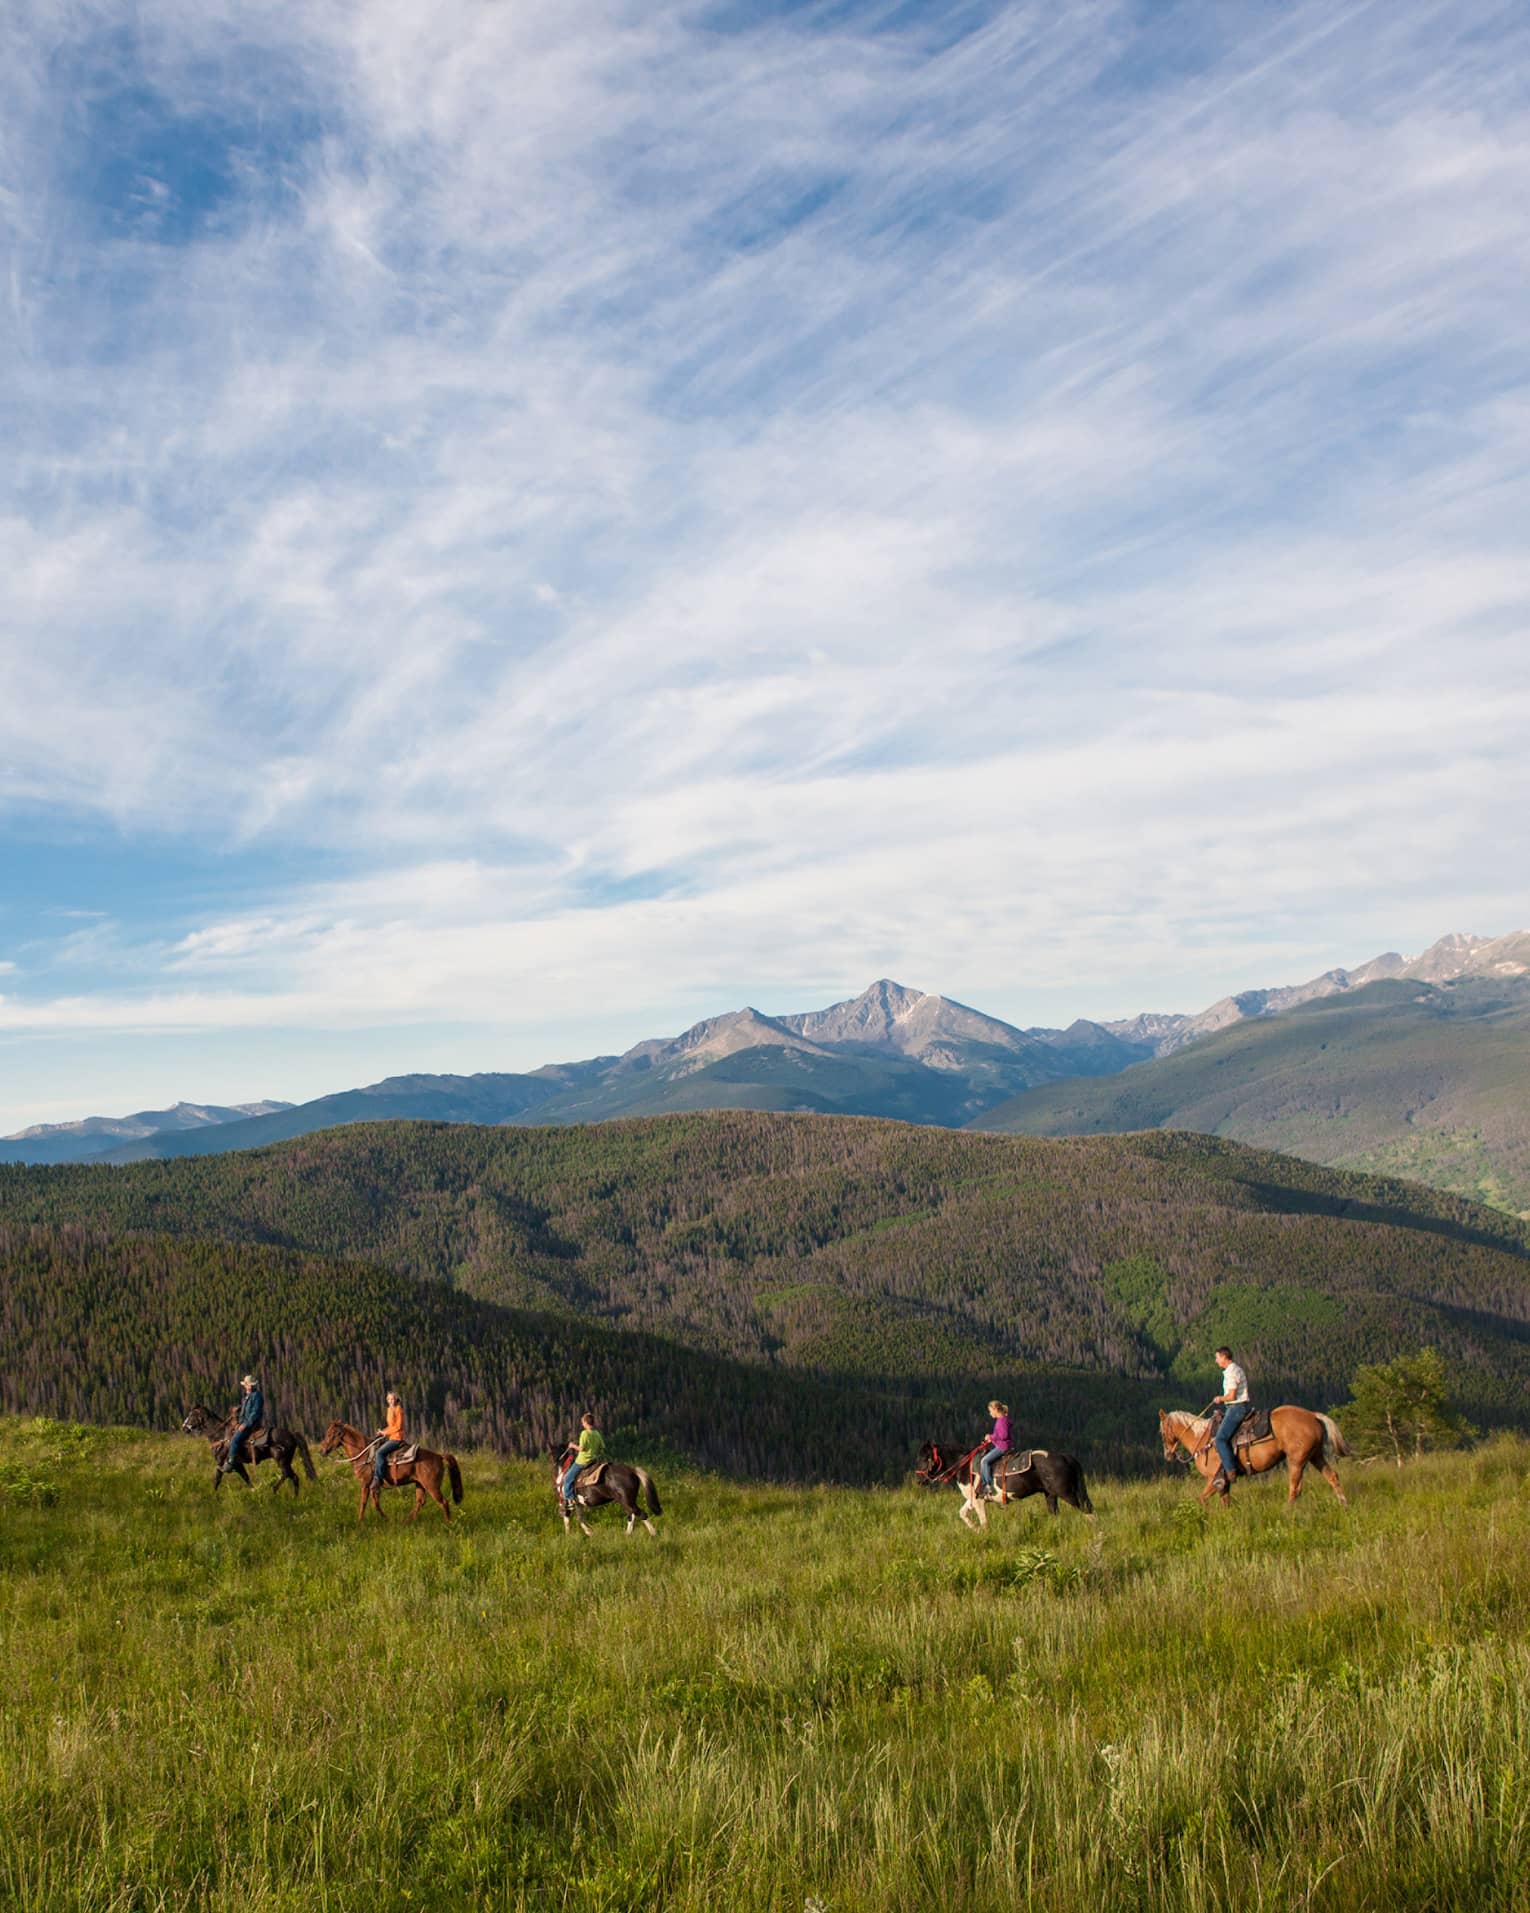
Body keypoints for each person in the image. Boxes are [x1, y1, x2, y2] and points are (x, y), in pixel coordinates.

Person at [1212, 1345, 1251, 1489]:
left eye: (1217, 1357)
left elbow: (1232, 1395)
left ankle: (1230, 1471)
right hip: (1236, 1407)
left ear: (1224, 1357)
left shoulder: (1231, 1372)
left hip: (1236, 1407)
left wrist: (1220, 1399)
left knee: (1220, 1439)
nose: (1216, 1361)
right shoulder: (1235, 1369)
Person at [561, 1412, 606, 1509]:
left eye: (583, 1422)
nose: (582, 1424)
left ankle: (570, 1499)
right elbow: (602, 1448)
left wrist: (572, 1446)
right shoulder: (597, 1433)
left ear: (586, 1422)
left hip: (582, 1461)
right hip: (593, 1461)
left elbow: (581, 1449)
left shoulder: (584, 1433)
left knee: (567, 1478)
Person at [223, 1374, 264, 1479]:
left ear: (251, 1385)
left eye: (247, 1384)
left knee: (235, 1439)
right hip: (243, 1421)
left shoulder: (257, 1396)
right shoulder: (248, 1396)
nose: (246, 1386)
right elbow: (246, 1408)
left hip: (251, 1424)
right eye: (246, 1384)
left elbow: (255, 1413)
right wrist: (238, 1409)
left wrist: (245, 1425)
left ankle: (231, 1461)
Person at [973, 1399, 1011, 1499]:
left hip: (1002, 1447)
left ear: (995, 1409)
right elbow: (1000, 1436)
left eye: (990, 1411)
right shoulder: (1002, 1419)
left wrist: (991, 1437)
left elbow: (1003, 1435)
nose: (990, 1414)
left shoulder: (1001, 1420)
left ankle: (987, 1485)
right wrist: (992, 1439)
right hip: (1002, 1445)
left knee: (984, 1461)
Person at [373, 1391, 406, 1494]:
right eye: (389, 1399)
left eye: (392, 1399)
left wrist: (385, 1433)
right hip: (391, 1437)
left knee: (379, 1453)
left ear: (396, 1399)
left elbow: (398, 1427)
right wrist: (382, 1432)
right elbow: (391, 1426)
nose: (391, 1401)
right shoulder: (389, 1410)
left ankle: (378, 1478)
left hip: (397, 1438)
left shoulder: (398, 1409)